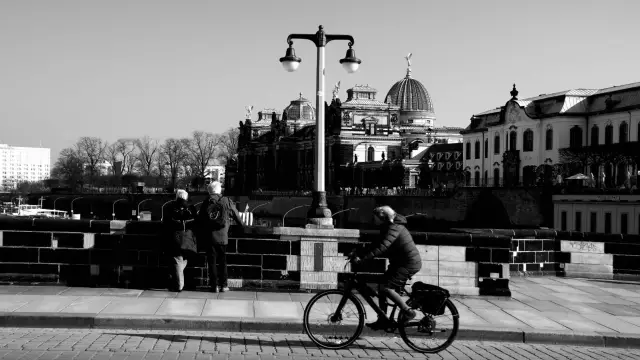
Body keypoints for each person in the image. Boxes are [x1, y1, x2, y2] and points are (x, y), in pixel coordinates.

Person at [350, 205, 422, 330]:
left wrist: (363, 259)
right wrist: (359, 252)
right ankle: (382, 319)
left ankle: (408, 311)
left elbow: (382, 247)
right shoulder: (388, 227)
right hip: (399, 263)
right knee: (381, 285)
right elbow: (376, 244)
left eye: (375, 218)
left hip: (408, 263)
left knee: (386, 288)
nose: (373, 220)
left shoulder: (394, 228)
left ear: (382, 217)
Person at [198, 181, 245, 292]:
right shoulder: (226, 201)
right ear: (219, 190)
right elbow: (236, 215)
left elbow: (200, 220)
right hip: (223, 236)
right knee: (222, 261)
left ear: (209, 191)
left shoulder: (206, 202)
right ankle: (224, 285)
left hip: (209, 237)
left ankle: (214, 286)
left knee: (212, 262)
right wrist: (242, 226)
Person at [162, 189, 198, 292]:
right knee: (183, 258)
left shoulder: (170, 207)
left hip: (175, 238)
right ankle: (178, 281)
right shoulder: (191, 208)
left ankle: (178, 285)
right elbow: (196, 222)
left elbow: (165, 223)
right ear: (186, 197)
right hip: (188, 238)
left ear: (177, 197)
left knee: (177, 260)